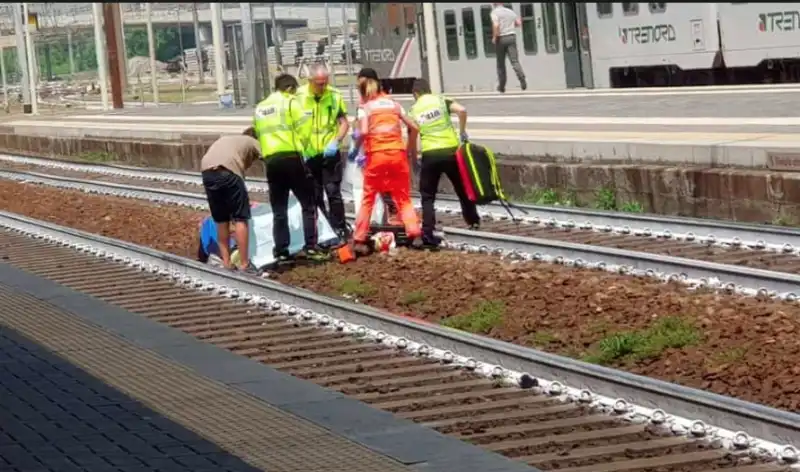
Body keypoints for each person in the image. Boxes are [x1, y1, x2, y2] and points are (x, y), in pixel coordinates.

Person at [253, 73, 326, 263]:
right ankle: (311, 246)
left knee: (279, 209)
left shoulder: (260, 108)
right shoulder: (290, 102)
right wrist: (308, 151)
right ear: (289, 89)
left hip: (271, 161)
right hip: (291, 158)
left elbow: (258, 133)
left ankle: (281, 250)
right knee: (308, 204)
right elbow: (305, 130)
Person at [351, 74, 422, 254]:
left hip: (376, 156)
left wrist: (355, 149)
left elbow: (364, 131)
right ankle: (414, 234)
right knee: (403, 197)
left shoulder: (365, 107)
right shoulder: (394, 105)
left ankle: (359, 238)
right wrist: (407, 149)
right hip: (397, 154)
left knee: (368, 198)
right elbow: (414, 127)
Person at [409, 79, 481, 246]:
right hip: (451, 151)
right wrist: (462, 132)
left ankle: (427, 233)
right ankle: (473, 221)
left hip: (430, 154)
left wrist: (413, 160)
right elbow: (462, 110)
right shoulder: (441, 100)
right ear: (428, 90)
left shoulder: (413, 110)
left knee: (427, 196)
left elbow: (412, 136)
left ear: (415, 94)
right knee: (462, 189)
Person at [296, 63, 350, 238]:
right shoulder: (299, 97)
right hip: (310, 154)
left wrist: (336, 141)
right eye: (319, 83)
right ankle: (323, 229)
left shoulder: (334, 96)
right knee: (315, 195)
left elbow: (343, 123)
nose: (323, 86)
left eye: (325, 82)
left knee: (333, 192)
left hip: (329, 153)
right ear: (310, 81)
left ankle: (340, 227)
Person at [200, 127, 261, 272]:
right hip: (228, 171)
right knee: (240, 218)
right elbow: (270, 159)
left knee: (221, 220)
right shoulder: (253, 141)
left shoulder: (230, 140)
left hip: (207, 171)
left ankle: (226, 263)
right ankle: (245, 264)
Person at [354, 68, 398, 223]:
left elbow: (364, 130)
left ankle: (369, 227)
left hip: (375, 150)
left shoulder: (369, 104)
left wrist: (357, 149)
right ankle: (387, 218)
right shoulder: (384, 100)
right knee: (382, 188)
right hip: (389, 149)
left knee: (373, 191)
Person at [491, 3, 527, 93]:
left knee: (501, 64)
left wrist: (495, 37)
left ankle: (502, 86)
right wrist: (509, 26)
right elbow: (518, 23)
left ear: (494, 3)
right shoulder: (510, 12)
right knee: (514, 61)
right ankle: (522, 78)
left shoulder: (494, 13)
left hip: (501, 39)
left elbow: (496, 25)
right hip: (511, 37)